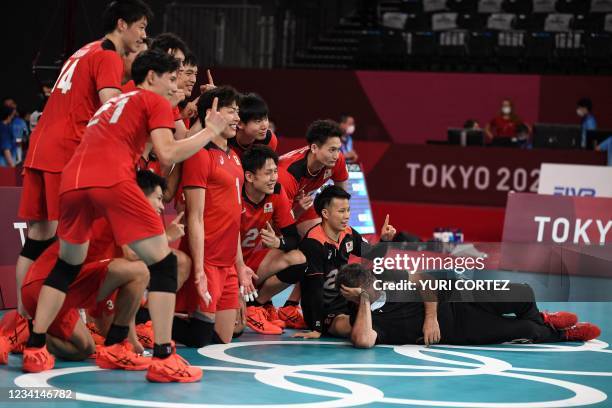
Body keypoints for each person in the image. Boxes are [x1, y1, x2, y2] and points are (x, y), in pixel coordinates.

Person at [23, 49, 227, 383]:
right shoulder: (154, 101)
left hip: (73, 180)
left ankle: (35, 347)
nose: (175, 87)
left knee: (66, 264)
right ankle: (164, 356)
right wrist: (207, 130)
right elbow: (168, 152)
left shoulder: (111, 103)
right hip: (111, 179)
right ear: (151, 78)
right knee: (164, 264)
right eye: (171, 79)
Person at [16, 0, 152, 322]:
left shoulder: (84, 50)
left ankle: (23, 320)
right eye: (142, 27)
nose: (143, 35)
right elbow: (110, 109)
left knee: (38, 237)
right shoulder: (108, 56)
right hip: (66, 150)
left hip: (41, 147)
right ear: (122, 24)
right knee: (70, 242)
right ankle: (63, 318)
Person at [337, 264, 601, 348]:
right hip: (460, 330)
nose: (375, 285)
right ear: (354, 296)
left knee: (521, 292)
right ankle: (563, 334)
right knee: (524, 330)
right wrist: (364, 300)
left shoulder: (388, 278)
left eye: (372, 281)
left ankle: (543, 317)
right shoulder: (360, 319)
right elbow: (363, 341)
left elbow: (424, 281)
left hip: (458, 297)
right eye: (367, 288)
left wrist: (430, 317)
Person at [174, 86, 255, 347]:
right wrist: (198, 270)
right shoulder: (199, 155)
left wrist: (240, 265)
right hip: (207, 257)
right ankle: (145, 318)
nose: (236, 118)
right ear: (211, 114)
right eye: (230, 111)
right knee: (200, 338)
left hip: (228, 261)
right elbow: (194, 217)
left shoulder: (235, 158)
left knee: (222, 339)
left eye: (238, 112)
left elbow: (234, 217)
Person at [274, 185, 396, 339]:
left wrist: (384, 241)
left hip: (347, 299)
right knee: (353, 329)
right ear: (325, 213)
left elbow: (372, 254)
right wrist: (316, 327)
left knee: (385, 290)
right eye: (341, 211)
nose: (346, 216)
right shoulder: (314, 243)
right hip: (325, 311)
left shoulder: (348, 233)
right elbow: (314, 290)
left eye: (348, 210)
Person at [238, 145, 307, 335]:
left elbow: (292, 237)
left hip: (251, 263)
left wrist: (279, 243)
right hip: (227, 266)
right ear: (250, 177)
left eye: (275, 171)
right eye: (268, 173)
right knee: (232, 331)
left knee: (299, 258)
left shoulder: (276, 192)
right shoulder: (234, 194)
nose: (274, 178)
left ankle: (257, 306)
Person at [278, 119, 349, 237]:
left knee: (334, 235)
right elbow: (280, 224)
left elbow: (342, 195)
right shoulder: (288, 174)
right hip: (277, 213)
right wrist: (298, 210)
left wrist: (338, 219)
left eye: (338, 149)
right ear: (314, 148)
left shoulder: (337, 160)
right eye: (332, 150)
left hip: (303, 206)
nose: (336, 156)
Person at [229, 93, 278, 157]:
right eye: (258, 121)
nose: (265, 126)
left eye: (265, 119)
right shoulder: (226, 138)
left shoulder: (269, 140)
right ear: (240, 123)